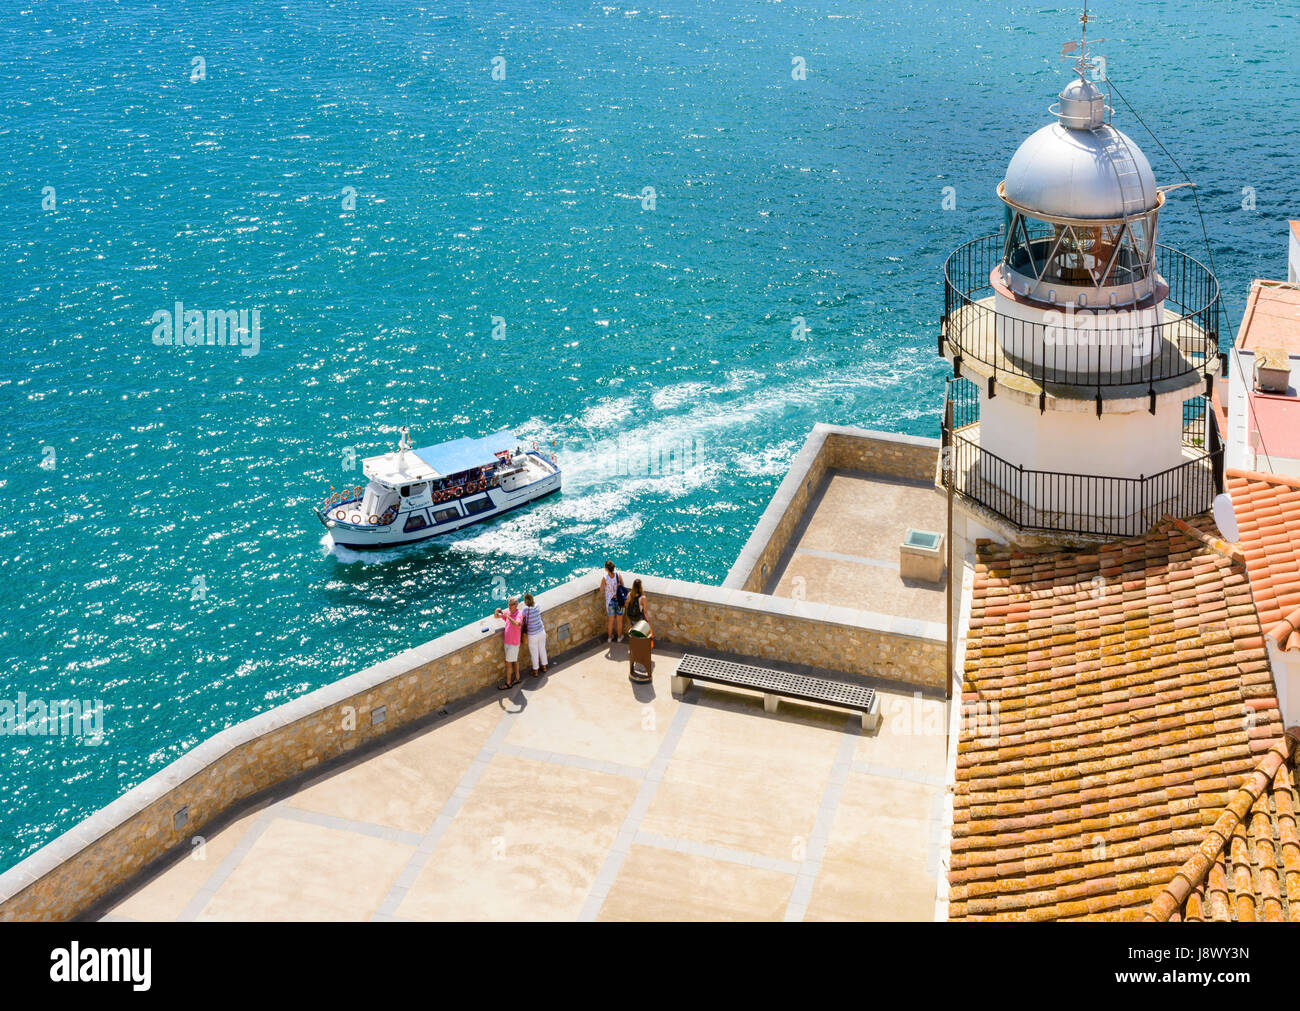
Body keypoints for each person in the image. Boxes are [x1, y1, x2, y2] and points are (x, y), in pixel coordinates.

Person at [494, 597, 524, 689]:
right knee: (514, 660)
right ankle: (517, 678)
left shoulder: (519, 614)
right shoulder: (507, 611)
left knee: (508, 663)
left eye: (511, 604)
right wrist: (496, 611)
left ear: (516, 605)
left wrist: (508, 616)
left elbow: (516, 623)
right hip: (508, 642)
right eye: (508, 604)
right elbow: (496, 617)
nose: (509, 606)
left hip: (513, 643)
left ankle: (508, 683)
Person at [520, 592, 548, 676]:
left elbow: (522, 618)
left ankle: (535, 671)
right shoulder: (537, 606)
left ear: (525, 601)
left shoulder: (525, 610)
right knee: (542, 649)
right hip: (541, 631)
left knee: (534, 652)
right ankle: (544, 667)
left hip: (532, 634)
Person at [602, 560, 625, 642]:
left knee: (610, 621)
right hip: (619, 601)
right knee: (619, 621)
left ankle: (609, 638)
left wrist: (608, 588)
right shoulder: (618, 575)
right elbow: (623, 586)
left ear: (606, 568)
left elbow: (601, 589)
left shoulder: (605, 578)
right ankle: (619, 637)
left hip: (610, 601)